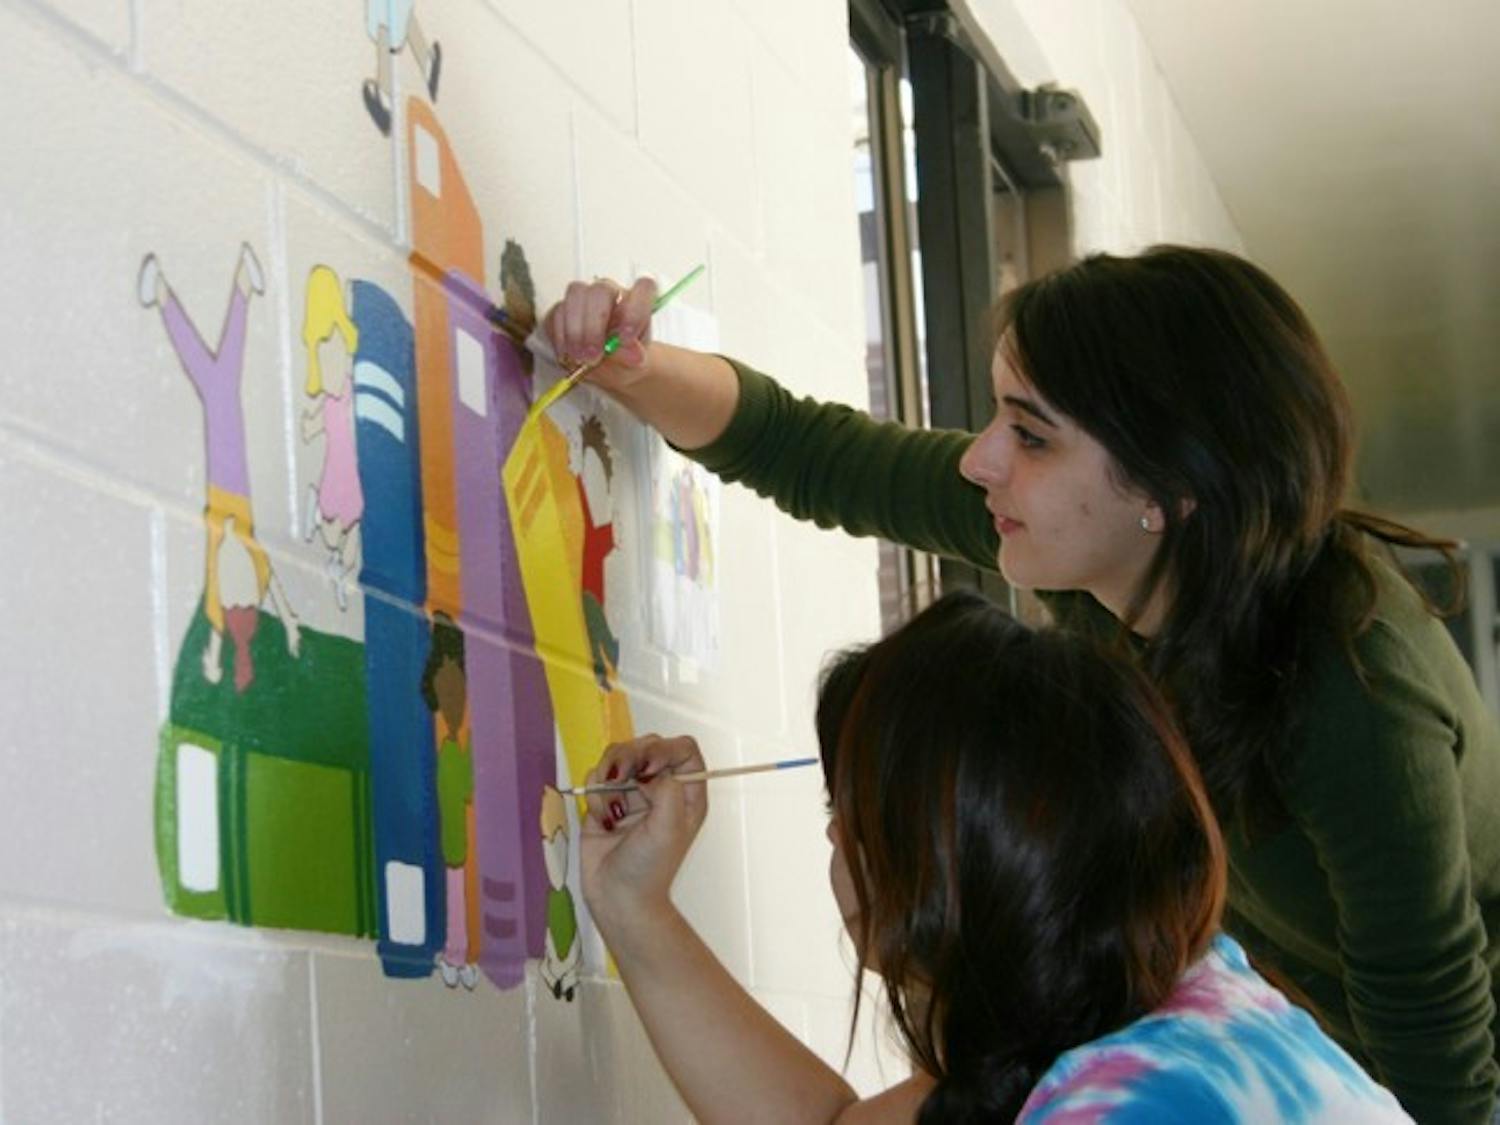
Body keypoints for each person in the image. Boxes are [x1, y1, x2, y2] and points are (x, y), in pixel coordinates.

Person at [545, 246, 1500, 1123]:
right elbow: (812, 452)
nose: (979, 458)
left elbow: (1440, 1049)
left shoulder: (1358, 695)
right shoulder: (1092, 559)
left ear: (1167, 496)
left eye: (1031, 436)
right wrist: (633, 368)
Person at [579, 592, 1411, 1122]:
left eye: (849, 814)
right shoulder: (1177, 996)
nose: (833, 840)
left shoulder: (1128, 1104)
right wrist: (636, 905)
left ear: (953, 864)